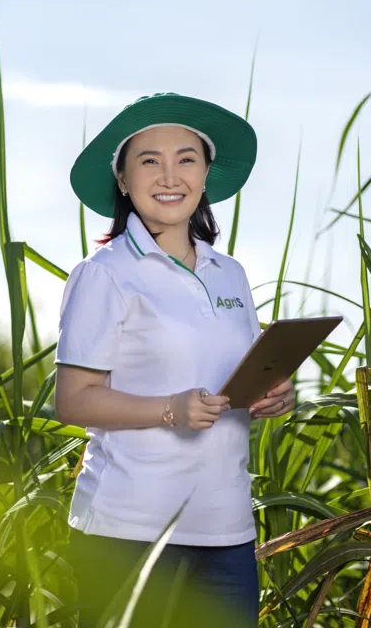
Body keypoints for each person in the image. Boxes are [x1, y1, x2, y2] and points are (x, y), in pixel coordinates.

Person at [54, 92, 295, 627]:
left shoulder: (228, 273)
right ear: (122, 179)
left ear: (206, 174)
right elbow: (73, 401)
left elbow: (241, 378)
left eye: (186, 159)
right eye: (149, 161)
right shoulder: (105, 273)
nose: (170, 175)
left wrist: (271, 395)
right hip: (128, 534)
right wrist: (171, 410)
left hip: (226, 531)